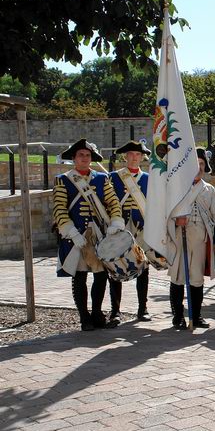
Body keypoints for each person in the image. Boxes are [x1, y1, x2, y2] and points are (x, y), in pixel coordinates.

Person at [53, 138, 124, 330]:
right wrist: (71, 232)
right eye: (81, 155)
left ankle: (97, 313)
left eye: (87, 155)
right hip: (77, 235)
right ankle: (84, 317)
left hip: (99, 235)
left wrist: (115, 222)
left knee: (101, 276)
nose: (84, 158)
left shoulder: (102, 178)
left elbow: (113, 203)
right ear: (74, 158)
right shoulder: (63, 180)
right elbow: (59, 209)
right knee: (80, 277)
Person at [167, 149, 215, 329]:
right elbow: (166, 212)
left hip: (201, 238)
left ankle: (196, 315)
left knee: (197, 278)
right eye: (195, 164)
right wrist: (176, 220)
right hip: (179, 236)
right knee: (178, 277)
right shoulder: (177, 187)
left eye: (201, 164)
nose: (198, 167)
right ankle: (178, 316)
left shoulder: (209, 190)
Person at [107, 139, 153, 325]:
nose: (134, 158)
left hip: (141, 229)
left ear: (142, 157)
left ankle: (143, 308)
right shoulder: (114, 178)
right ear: (125, 156)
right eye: (131, 154)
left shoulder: (148, 179)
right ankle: (115, 311)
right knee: (116, 269)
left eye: (138, 154)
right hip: (121, 228)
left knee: (143, 269)